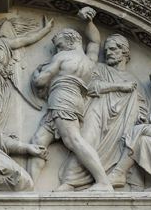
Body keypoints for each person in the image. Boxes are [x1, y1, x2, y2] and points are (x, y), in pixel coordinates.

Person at [57, 22, 148, 190]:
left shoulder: (134, 81)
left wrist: (139, 117)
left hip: (122, 125)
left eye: (113, 49)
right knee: (84, 141)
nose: (108, 52)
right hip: (96, 113)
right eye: (106, 49)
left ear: (125, 52)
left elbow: (142, 109)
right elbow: (89, 87)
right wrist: (118, 88)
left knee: (118, 146)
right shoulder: (99, 68)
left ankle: (109, 178)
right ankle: (71, 181)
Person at [26, 21, 113, 191]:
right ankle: (28, 187)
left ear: (71, 42)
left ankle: (103, 182)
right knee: (39, 141)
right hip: (73, 101)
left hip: (61, 98)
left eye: (59, 45)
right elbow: (95, 41)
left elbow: (40, 81)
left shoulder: (62, 56)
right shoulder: (90, 60)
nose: (57, 50)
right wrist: (89, 21)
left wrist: (37, 73)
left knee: (73, 140)